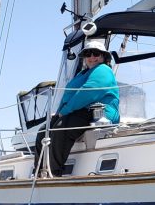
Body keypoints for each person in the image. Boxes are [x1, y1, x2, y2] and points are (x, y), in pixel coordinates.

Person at [34, 39, 120, 176]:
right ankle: (39, 171)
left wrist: (64, 113)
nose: (92, 57)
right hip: (81, 111)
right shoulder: (83, 73)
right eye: (88, 54)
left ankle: (54, 172)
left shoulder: (103, 70)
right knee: (43, 131)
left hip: (99, 112)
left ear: (103, 56)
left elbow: (88, 92)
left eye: (96, 54)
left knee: (64, 127)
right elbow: (70, 95)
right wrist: (58, 113)